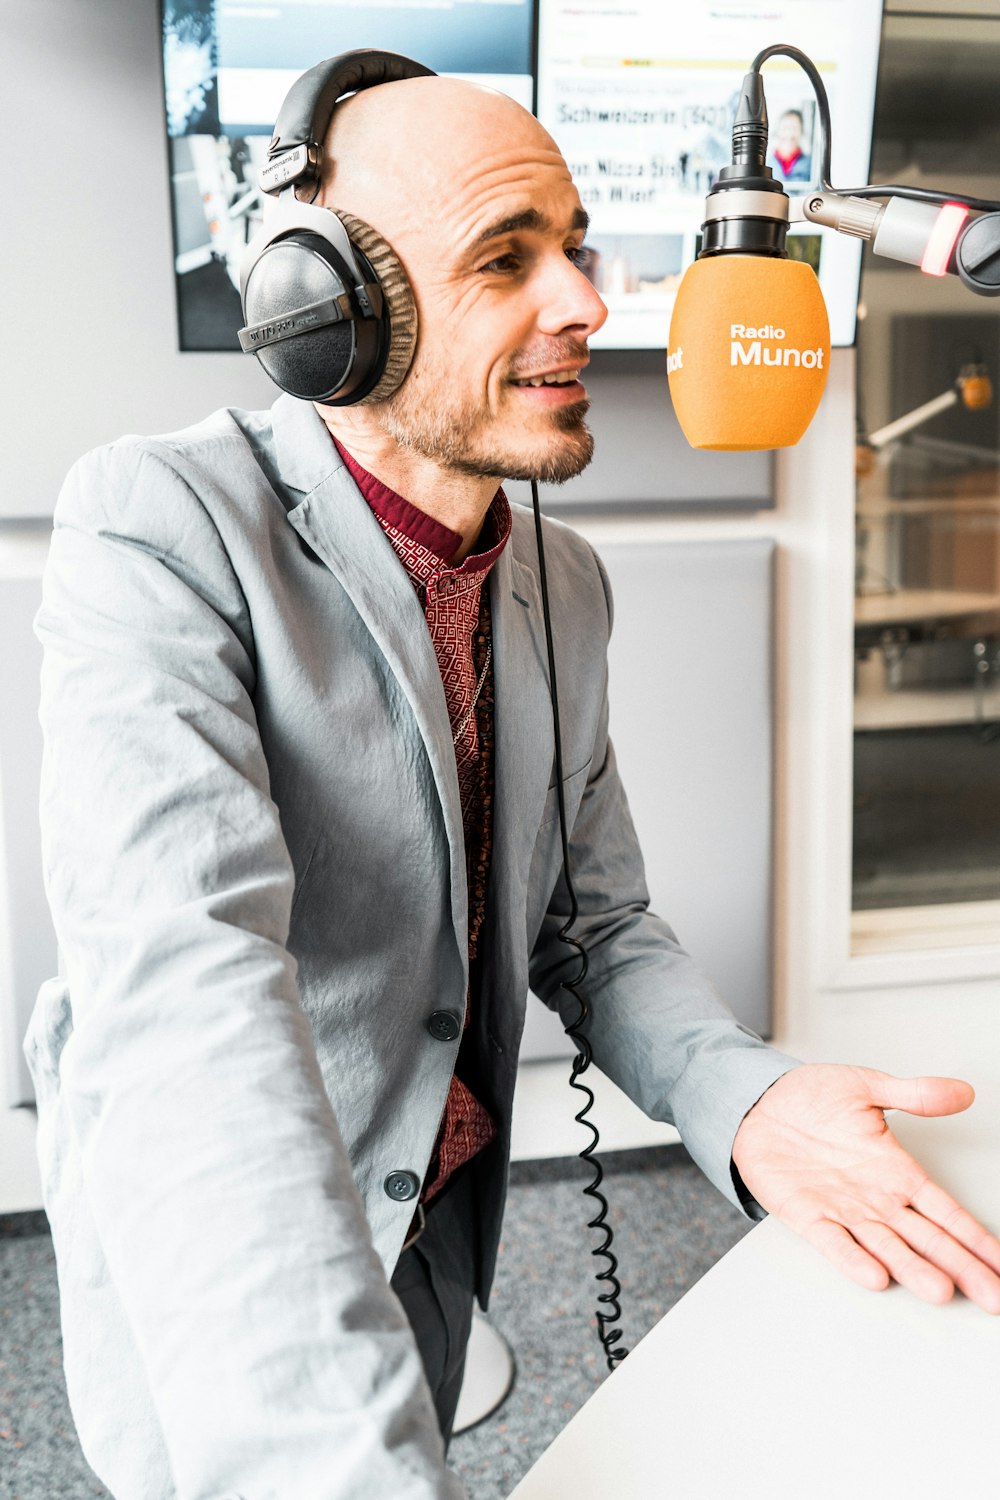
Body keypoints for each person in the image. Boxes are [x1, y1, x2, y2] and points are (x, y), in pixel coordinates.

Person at [26, 64, 1000, 1500]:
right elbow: (188, 996)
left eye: (577, 243)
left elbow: (592, 930)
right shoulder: (161, 524)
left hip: (443, 1214)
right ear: (329, 311)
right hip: (230, 1260)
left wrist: (745, 1098)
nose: (587, 304)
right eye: (506, 258)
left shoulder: (562, 579)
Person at [767, 107, 813, 183]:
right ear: (777, 131)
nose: (790, 134)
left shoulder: (811, 165)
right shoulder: (766, 162)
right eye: (785, 128)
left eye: (795, 128)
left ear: (802, 132)